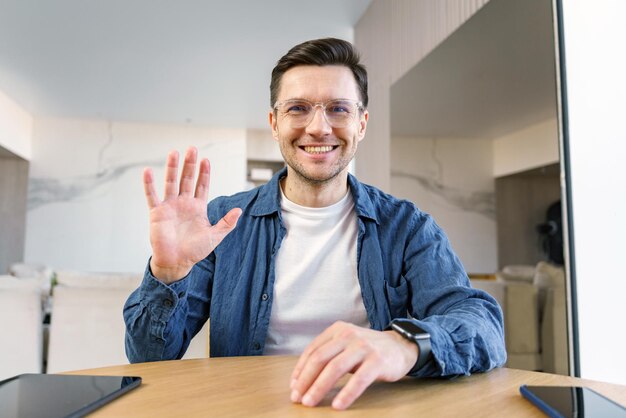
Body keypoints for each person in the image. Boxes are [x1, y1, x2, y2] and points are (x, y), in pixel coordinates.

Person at [124, 37, 506, 410]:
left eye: (339, 109)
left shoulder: (408, 227)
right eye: (298, 108)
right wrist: (168, 274)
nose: (319, 127)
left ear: (362, 123)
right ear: (274, 123)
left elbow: (483, 327)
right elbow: (149, 357)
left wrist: (405, 344)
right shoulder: (224, 223)